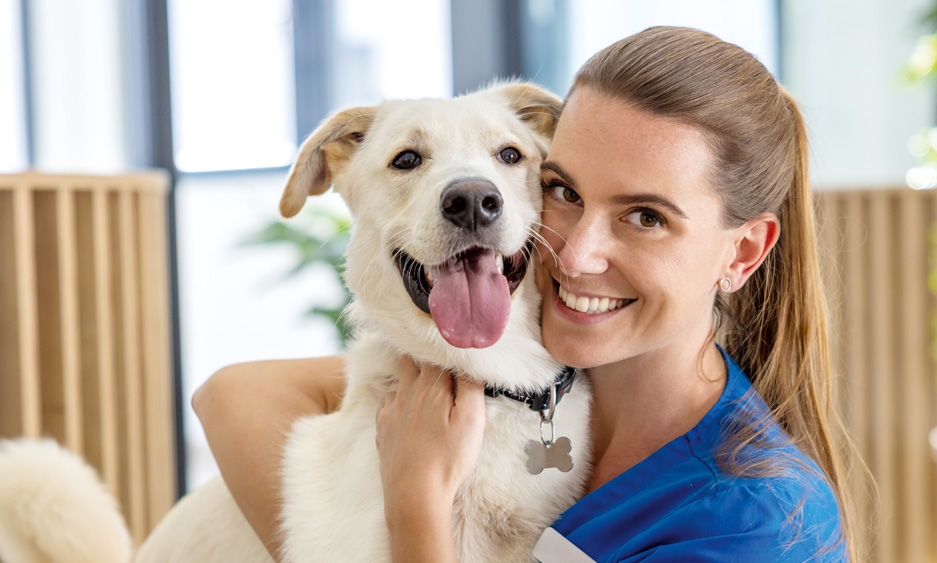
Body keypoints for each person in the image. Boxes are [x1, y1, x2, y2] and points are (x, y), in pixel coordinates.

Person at [193, 26, 868, 562]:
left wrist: (415, 504)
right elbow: (227, 394)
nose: (574, 254)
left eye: (647, 217)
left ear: (743, 251)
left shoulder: (757, 526)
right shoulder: (486, 375)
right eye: (565, 191)